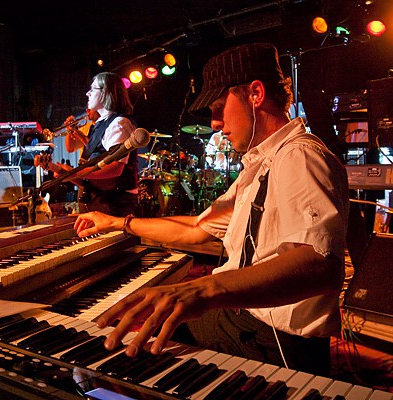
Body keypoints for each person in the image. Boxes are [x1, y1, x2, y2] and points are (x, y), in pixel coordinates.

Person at [73, 43, 350, 376]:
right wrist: (117, 222)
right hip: (242, 322)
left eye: (219, 107)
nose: (216, 123)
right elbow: (195, 229)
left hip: (272, 342)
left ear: (256, 94)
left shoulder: (300, 156)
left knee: (126, 357)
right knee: (137, 334)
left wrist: (207, 289)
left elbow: (320, 264)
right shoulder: (263, 165)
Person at [51, 72, 138, 217]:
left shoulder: (119, 124)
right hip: (101, 199)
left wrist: (74, 172)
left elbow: (115, 169)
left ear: (106, 93)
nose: (87, 93)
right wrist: (64, 172)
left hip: (114, 203)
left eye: (93, 89)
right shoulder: (101, 124)